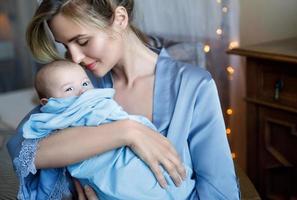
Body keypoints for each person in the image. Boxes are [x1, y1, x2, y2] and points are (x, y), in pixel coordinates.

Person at [7, 0, 240, 199]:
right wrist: (127, 132)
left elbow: (220, 193)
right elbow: (24, 151)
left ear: (119, 18)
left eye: (82, 41)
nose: (75, 57)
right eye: (65, 45)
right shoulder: (81, 85)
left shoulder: (193, 86)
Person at [22, 60, 195, 200]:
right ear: (47, 103)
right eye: (69, 89)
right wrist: (126, 131)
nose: (83, 92)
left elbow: (117, 115)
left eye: (84, 83)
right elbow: (27, 154)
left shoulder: (100, 99)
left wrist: (133, 128)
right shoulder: (45, 120)